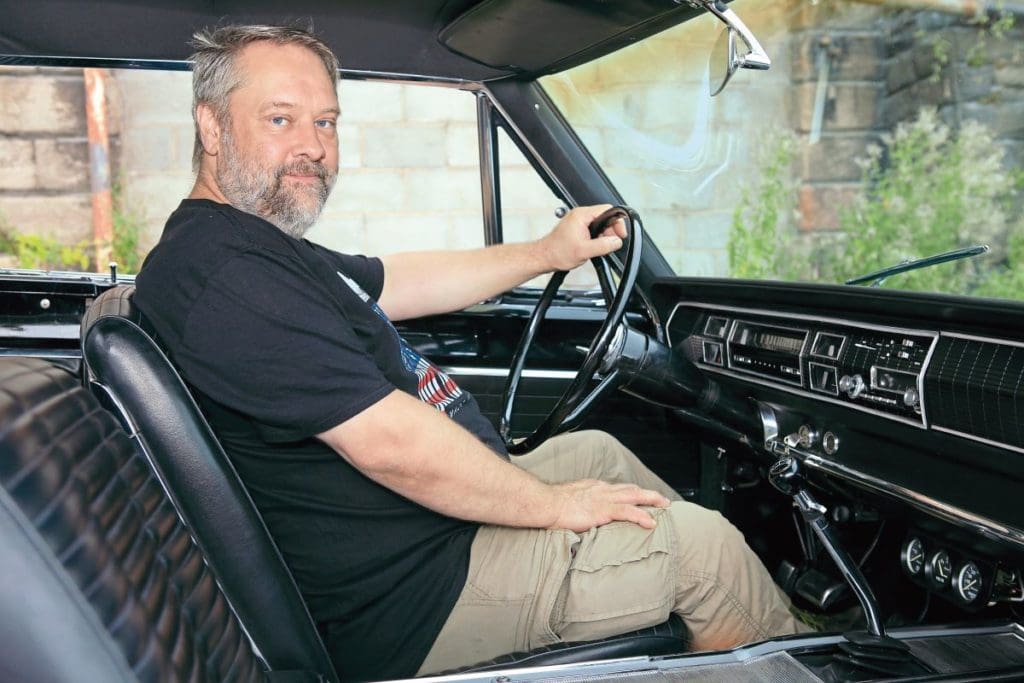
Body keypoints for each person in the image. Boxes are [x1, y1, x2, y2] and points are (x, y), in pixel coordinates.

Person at [134, 24, 809, 682]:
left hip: (422, 537)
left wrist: (548, 254)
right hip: (415, 598)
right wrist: (553, 507)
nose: (313, 146)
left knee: (600, 456)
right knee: (701, 551)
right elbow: (390, 444)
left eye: (327, 122)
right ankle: (786, 644)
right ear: (212, 127)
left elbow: (395, 281)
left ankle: (741, 625)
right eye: (281, 120)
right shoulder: (223, 273)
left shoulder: (256, 246)